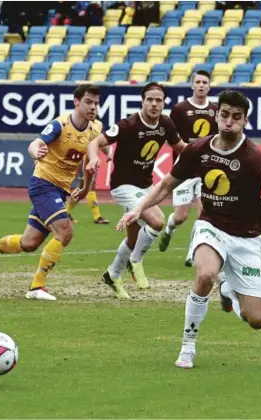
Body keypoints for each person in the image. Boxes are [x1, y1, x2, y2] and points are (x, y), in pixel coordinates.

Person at [117, 90, 261, 369]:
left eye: (236, 117)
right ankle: (188, 346)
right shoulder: (198, 149)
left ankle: (228, 288)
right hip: (211, 226)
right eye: (225, 114)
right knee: (206, 274)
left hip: (248, 239)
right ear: (217, 115)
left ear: (245, 121)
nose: (229, 121)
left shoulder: (255, 158)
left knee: (256, 320)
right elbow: (166, 185)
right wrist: (138, 208)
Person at [0, 84, 102, 301]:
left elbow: (90, 161)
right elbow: (35, 143)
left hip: (60, 190)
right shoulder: (60, 124)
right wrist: (36, 151)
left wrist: (86, 187)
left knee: (28, 243)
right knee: (65, 232)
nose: (93, 107)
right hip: (43, 184)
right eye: (88, 102)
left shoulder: (94, 131)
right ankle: (36, 286)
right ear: (76, 102)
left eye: (96, 103)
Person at [86, 82, 186, 299]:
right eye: (150, 99)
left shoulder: (166, 123)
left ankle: (112, 274)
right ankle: (136, 261)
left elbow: (180, 148)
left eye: (158, 100)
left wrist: (205, 152)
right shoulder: (128, 124)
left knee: (133, 239)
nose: (154, 104)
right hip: (123, 186)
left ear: (163, 103)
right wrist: (94, 158)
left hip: (145, 186)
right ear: (143, 101)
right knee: (158, 221)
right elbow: (95, 142)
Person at [159, 70, 219, 266]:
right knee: (181, 216)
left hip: (206, 169)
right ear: (192, 85)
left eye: (205, 82)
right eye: (198, 82)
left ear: (209, 87)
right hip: (183, 169)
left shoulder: (215, 110)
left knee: (204, 213)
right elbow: (171, 137)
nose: (201, 85)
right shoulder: (179, 109)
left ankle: (193, 251)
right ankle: (169, 229)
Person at [65, 102, 110, 225]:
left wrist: (109, 154)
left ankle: (66, 212)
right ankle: (97, 216)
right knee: (87, 186)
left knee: (84, 187)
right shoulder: (79, 123)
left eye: (95, 109)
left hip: (93, 159)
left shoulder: (98, 125)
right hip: (83, 159)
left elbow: (101, 142)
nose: (93, 110)